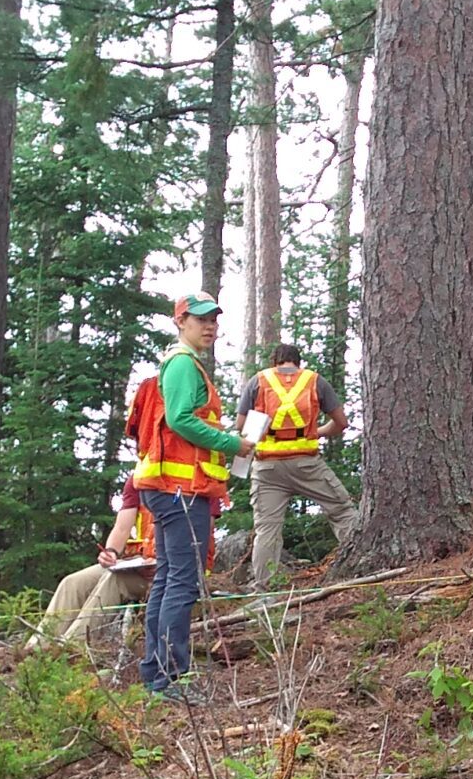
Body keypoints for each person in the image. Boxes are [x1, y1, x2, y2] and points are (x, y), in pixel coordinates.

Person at [132, 293, 249, 696]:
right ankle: (169, 678)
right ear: (180, 321)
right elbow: (181, 420)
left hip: (169, 490)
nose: (210, 326)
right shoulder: (183, 365)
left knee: (168, 579)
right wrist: (232, 443)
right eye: (200, 320)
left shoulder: (179, 363)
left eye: (214, 319)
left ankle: (155, 673)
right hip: (181, 491)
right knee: (182, 582)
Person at [236, 342, 359, 590]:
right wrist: (315, 433)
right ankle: (361, 566)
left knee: (267, 529)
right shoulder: (314, 381)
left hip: (268, 467)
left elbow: (241, 426)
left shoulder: (258, 381)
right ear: (297, 362)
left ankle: (264, 590)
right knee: (342, 510)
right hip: (306, 464)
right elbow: (341, 423)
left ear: (274, 362)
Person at [28, 482, 155, 651]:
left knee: (116, 579)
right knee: (72, 583)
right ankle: (36, 649)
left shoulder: (187, 479)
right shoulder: (139, 478)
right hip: (141, 564)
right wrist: (111, 553)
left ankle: (71, 648)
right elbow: (122, 528)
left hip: (176, 573)